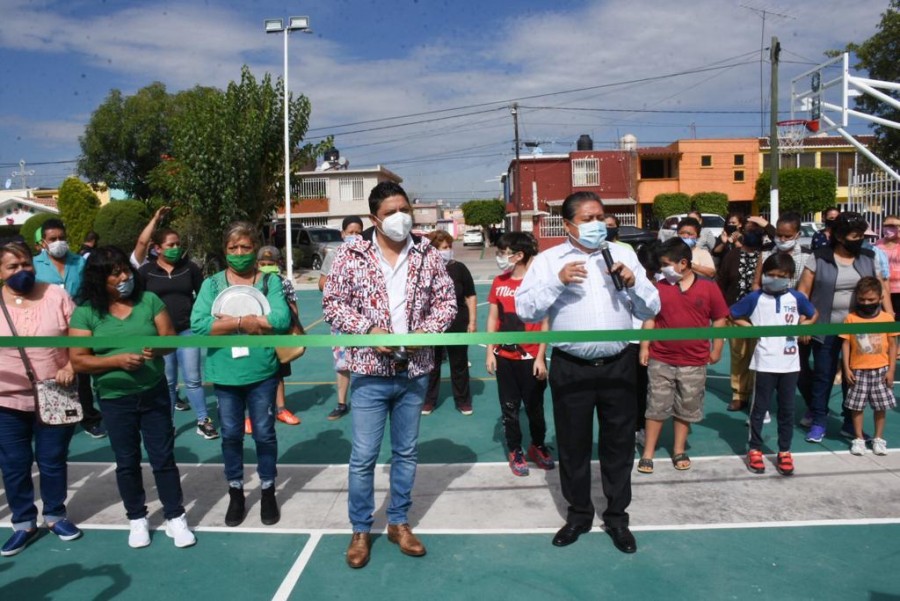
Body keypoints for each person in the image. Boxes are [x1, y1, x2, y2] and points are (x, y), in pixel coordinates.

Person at [515, 191, 660, 555]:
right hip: (571, 368)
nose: (598, 224)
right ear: (567, 225)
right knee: (573, 444)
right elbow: (526, 311)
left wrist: (634, 282)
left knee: (619, 444)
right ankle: (578, 514)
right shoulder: (549, 261)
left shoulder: (624, 255)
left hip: (619, 365)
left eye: (601, 217)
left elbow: (651, 306)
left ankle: (616, 517)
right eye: (588, 218)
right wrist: (558, 281)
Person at [322, 182, 456, 569]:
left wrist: (423, 335)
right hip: (369, 372)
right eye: (391, 211)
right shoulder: (351, 252)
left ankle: (398, 522)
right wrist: (368, 332)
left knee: (407, 453)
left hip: (414, 372)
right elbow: (333, 303)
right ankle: (361, 529)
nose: (401, 217)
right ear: (374, 218)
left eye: (405, 208)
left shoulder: (427, 252)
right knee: (363, 456)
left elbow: (446, 303)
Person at [69, 246, 195, 549]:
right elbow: (79, 360)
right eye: (115, 274)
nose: (124, 277)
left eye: (125, 270)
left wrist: (156, 348)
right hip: (114, 398)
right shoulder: (86, 312)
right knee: (127, 461)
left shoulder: (148, 301)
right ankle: (137, 518)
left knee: (163, 458)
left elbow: (170, 340)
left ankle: (175, 516)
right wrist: (116, 361)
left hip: (153, 394)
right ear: (100, 279)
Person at [190, 223, 292, 528]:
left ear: (255, 249)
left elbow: (281, 319)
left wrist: (236, 321)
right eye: (233, 248)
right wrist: (243, 322)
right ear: (225, 251)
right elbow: (199, 324)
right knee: (231, 435)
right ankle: (236, 490)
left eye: (245, 247)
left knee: (264, 433)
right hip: (225, 374)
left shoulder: (269, 282)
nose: (239, 253)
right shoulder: (211, 285)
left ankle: (268, 489)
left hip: (262, 371)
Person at [0, 242, 82, 556]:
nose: (22, 271)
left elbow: (79, 340)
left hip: (55, 395)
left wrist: (71, 365)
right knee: (14, 465)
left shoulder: (56, 296)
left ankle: (55, 515)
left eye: (25, 264)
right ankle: (23, 522)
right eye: (13, 267)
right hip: (6, 402)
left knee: (51, 460)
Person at [797, 212, 894, 443]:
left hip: (860, 329)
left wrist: (890, 316)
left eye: (861, 235)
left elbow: (883, 289)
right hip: (825, 327)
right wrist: (805, 321)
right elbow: (803, 291)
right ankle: (819, 421)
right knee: (823, 376)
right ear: (840, 236)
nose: (859, 239)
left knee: (855, 378)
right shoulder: (819, 257)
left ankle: (850, 424)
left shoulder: (869, 257)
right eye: (854, 235)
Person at [637, 238, 728, 474]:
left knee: (685, 407)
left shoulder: (708, 287)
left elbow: (719, 318)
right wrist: (644, 346)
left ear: (683, 263)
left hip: (694, 361)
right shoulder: (659, 287)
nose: (663, 269)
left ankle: (679, 450)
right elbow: (650, 317)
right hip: (661, 358)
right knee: (655, 406)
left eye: (667, 264)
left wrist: (717, 348)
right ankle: (648, 452)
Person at [731, 253, 818, 476]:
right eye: (770, 275)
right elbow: (733, 313)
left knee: (787, 411)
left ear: (789, 277)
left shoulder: (796, 297)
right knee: (759, 409)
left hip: (790, 364)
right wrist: (748, 328)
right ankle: (755, 449)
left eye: (781, 276)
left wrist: (806, 325)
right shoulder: (756, 298)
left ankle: (785, 451)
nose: (775, 279)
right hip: (764, 362)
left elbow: (813, 313)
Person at [137, 227, 217, 440]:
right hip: (160, 335)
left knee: (193, 379)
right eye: (170, 245)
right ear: (157, 248)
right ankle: (168, 424)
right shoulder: (146, 272)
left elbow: (203, 297)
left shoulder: (189, 268)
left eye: (178, 244)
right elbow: (137, 302)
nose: (175, 248)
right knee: (169, 382)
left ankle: (203, 421)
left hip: (187, 331)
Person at [486, 232, 552, 476]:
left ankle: (538, 445)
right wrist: (490, 353)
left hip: (531, 358)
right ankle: (515, 449)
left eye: (503, 252)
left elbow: (545, 322)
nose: (500, 257)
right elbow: (493, 318)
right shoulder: (499, 282)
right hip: (505, 357)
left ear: (519, 255)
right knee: (510, 407)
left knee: (535, 407)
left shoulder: (537, 284)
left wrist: (540, 356)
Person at [33, 218, 105, 439]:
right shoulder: (34, 264)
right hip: (48, 328)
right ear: (43, 242)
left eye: (62, 238)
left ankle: (88, 418)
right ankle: (52, 415)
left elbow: (88, 291)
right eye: (53, 239)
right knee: (50, 372)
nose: (58, 242)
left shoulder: (79, 262)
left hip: (78, 326)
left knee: (81, 373)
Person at [840, 277, 897, 456]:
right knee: (857, 406)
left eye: (871, 300)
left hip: (881, 369)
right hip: (858, 369)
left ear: (880, 298)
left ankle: (878, 439)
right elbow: (846, 344)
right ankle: (859, 439)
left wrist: (891, 370)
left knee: (880, 406)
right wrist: (847, 368)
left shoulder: (887, 318)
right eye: (862, 300)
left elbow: (893, 344)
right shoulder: (850, 318)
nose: (866, 303)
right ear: (857, 298)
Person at [423, 230, 476, 415]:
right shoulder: (425, 269)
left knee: (459, 363)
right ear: (434, 250)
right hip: (432, 325)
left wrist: (472, 321)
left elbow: (470, 296)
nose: (449, 250)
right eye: (445, 247)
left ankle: (463, 401)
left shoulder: (460, 268)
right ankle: (428, 401)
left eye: (450, 246)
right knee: (432, 364)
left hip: (457, 322)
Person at [318, 216, 364, 420]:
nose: (354, 236)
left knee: (365, 359)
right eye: (350, 232)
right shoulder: (334, 255)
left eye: (358, 232)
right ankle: (342, 402)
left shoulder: (367, 254)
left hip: (364, 318)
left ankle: (366, 401)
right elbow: (321, 283)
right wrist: (338, 286)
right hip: (341, 319)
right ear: (343, 233)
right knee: (342, 362)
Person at [717, 222, 765, 412]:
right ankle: (739, 394)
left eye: (756, 232)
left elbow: (773, 231)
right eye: (749, 231)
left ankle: (757, 393)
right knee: (739, 355)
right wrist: (723, 309)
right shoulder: (732, 255)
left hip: (761, 314)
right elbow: (721, 282)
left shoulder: (767, 255)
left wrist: (763, 223)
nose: (752, 235)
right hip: (736, 313)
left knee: (759, 353)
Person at [253, 245, 302, 429]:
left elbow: (294, 309)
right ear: (257, 264)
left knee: (278, 373)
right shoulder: (252, 283)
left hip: (278, 334)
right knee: (256, 373)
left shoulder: (284, 283)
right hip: (257, 334)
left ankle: (281, 409)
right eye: (263, 263)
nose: (266, 266)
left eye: (270, 263)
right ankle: (255, 413)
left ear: (278, 263)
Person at [752, 211, 808, 290]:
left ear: (798, 235)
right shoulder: (766, 254)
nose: (782, 239)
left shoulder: (807, 257)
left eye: (788, 236)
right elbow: (756, 283)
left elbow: (805, 290)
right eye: (779, 235)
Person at [875, 215, 900, 321]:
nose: (888, 228)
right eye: (886, 225)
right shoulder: (878, 244)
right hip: (884, 288)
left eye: (892, 226)